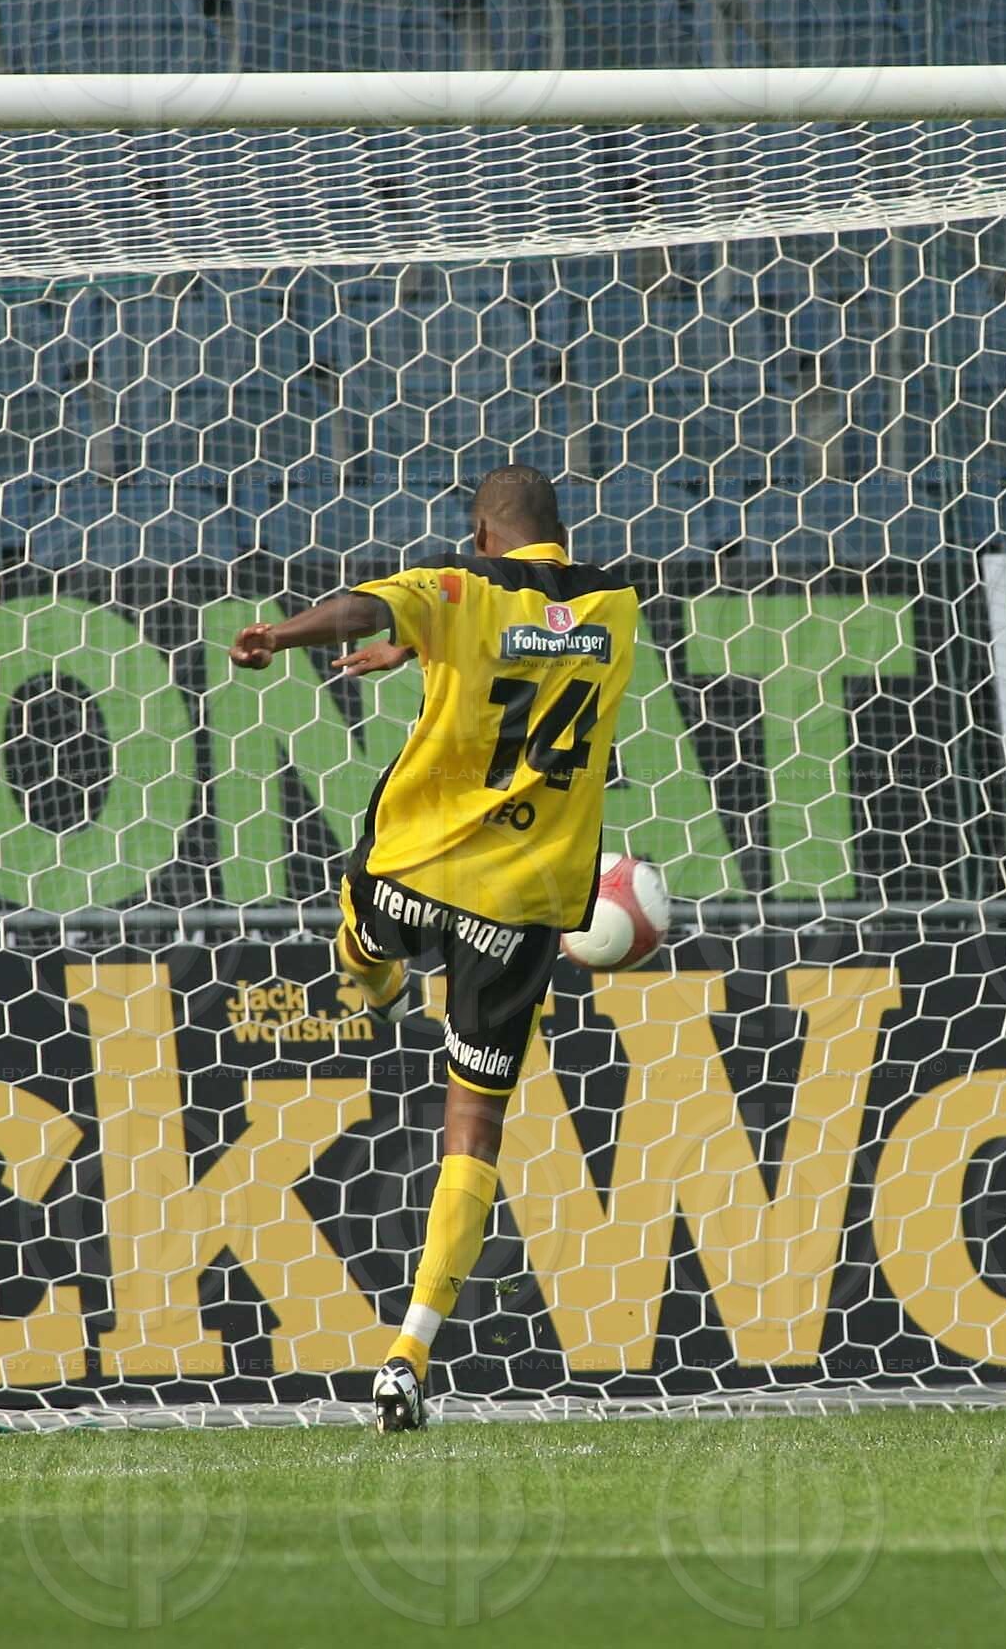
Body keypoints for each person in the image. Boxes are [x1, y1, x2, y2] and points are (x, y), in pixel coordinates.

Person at [228, 464, 639, 1432]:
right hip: (526, 898)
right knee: (476, 1129)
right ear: (554, 531)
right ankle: (409, 1354)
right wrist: (417, 652)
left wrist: (283, 633)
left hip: (418, 867)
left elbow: (361, 606)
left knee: (364, 928)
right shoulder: (618, 607)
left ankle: (368, 963)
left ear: (481, 533)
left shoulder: (457, 585)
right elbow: (537, 646)